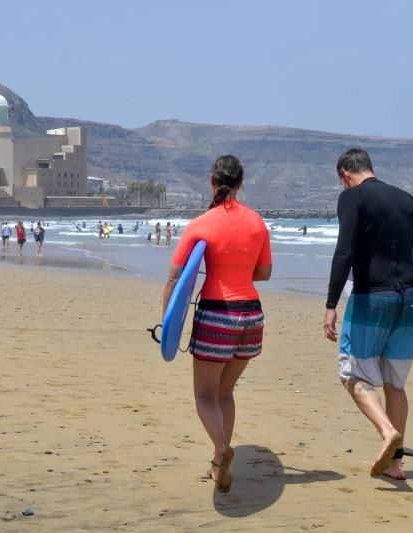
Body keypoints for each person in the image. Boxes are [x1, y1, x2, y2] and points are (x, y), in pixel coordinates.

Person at [162, 155, 272, 494]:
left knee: (205, 395)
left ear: (212, 180)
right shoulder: (257, 223)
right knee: (225, 392)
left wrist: (168, 324)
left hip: (216, 316)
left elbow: (175, 280)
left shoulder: (201, 224)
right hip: (252, 316)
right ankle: (217, 461)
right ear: (241, 184)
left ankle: (223, 448)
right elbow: (264, 273)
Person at [323, 148, 413, 480]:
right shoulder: (407, 199)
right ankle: (396, 464)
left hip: (372, 298)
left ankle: (386, 431)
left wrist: (330, 305)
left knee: (352, 374)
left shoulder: (353, 198)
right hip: (411, 301)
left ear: (345, 174)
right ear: (371, 168)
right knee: (394, 384)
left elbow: (344, 251)